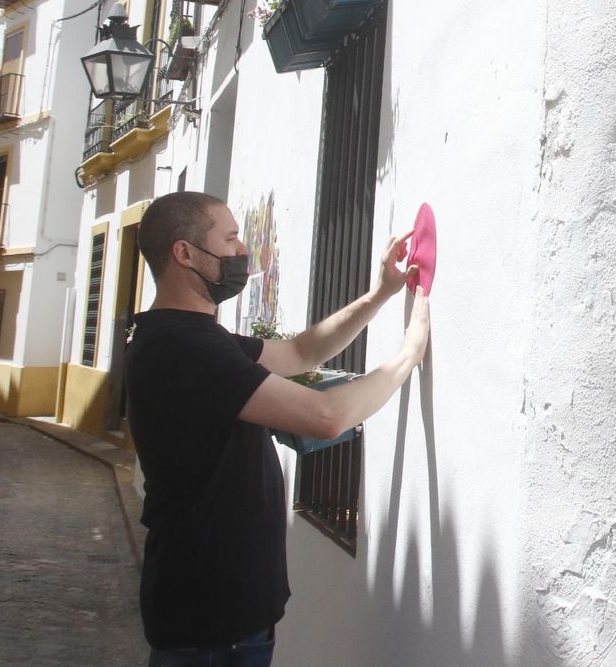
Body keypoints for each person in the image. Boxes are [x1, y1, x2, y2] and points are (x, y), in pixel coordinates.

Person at [125, 191, 430, 666]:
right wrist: (408, 356)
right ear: (184, 252)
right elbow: (325, 418)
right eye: (228, 238)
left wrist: (381, 294)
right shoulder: (183, 348)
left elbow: (299, 355)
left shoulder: (195, 338)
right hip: (209, 629)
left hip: (223, 620)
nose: (241, 250)